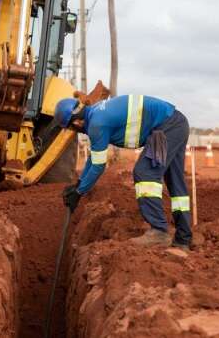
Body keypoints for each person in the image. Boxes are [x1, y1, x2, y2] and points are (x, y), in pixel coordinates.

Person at [55, 94, 192, 250]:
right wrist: (79, 185)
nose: (76, 132)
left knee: (144, 173)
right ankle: (183, 239)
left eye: (72, 129)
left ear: (77, 122)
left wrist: (80, 192)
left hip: (167, 127)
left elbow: (99, 166)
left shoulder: (96, 124)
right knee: (175, 181)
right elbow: (93, 158)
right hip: (177, 123)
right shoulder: (96, 113)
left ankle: (159, 231)